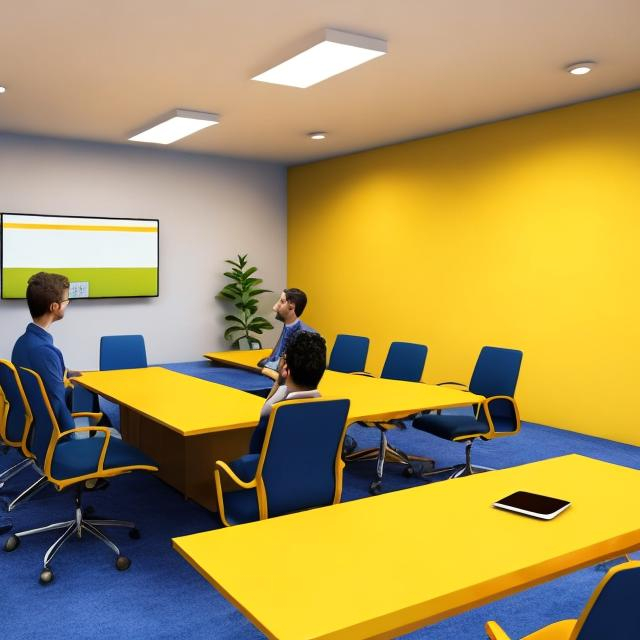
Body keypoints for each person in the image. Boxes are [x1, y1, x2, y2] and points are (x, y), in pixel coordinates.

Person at [230, 331, 326, 482]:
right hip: (317, 487)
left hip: (271, 492)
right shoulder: (331, 410)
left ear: (285, 368)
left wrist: (279, 381)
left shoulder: (274, 414)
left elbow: (254, 452)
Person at [12, 272, 78, 433]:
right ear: (54, 307)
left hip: (30, 425)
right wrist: (72, 434)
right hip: (51, 435)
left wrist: (66, 373)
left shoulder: (23, 342)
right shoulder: (45, 352)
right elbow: (57, 405)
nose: (67, 304)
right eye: (66, 300)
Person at [258, 288, 315, 378]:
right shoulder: (288, 326)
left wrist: (268, 370)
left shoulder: (305, 335)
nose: (275, 307)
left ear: (291, 307)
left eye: (281, 301)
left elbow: (296, 373)